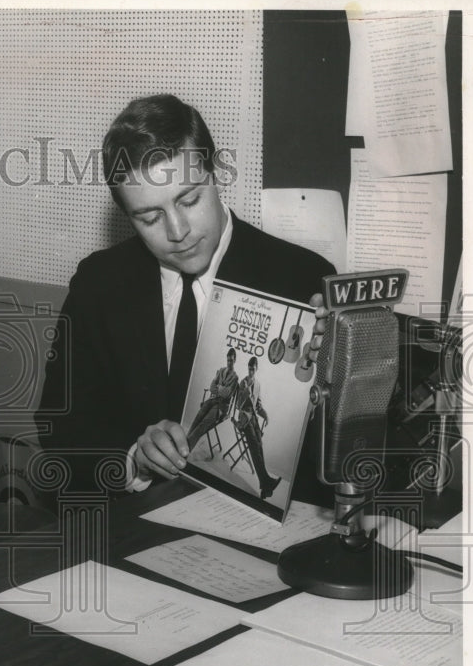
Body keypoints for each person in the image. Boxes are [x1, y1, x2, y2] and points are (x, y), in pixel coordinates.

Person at [37, 94, 336, 501]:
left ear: (215, 174)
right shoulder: (99, 282)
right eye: (150, 217)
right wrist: (131, 460)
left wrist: (324, 383)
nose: (177, 231)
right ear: (128, 216)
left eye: (189, 200)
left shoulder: (301, 278)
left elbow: (336, 458)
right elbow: (60, 424)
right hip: (137, 523)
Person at [235, 356, 279, 499]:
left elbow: (258, 405)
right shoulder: (243, 382)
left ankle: (265, 488)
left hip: (254, 420)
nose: (251, 371)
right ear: (248, 368)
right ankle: (267, 482)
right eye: (249, 368)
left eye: (253, 369)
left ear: (256, 369)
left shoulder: (258, 384)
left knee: (259, 447)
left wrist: (265, 414)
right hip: (244, 419)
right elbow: (237, 405)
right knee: (254, 447)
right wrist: (245, 392)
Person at [186, 347, 239, 453]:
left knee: (204, 423)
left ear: (235, 360)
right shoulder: (221, 370)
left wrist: (218, 387)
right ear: (226, 359)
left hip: (221, 406)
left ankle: (187, 448)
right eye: (228, 360)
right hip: (212, 400)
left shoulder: (235, 377)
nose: (229, 363)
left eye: (232, 361)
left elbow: (227, 394)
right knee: (198, 417)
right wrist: (221, 388)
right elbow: (211, 387)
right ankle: (185, 441)